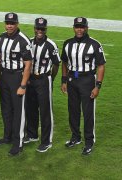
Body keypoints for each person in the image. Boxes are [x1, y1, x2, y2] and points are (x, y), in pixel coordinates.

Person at [61, 17, 106, 155]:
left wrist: (97, 85)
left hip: (87, 80)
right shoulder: (68, 43)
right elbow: (64, 62)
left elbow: (101, 65)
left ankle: (89, 141)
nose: (79, 29)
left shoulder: (94, 44)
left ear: (86, 28)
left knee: (87, 113)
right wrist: (64, 81)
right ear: (73, 28)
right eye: (77, 26)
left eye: (82, 26)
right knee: (73, 110)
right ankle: (75, 137)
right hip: (72, 79)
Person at [0, 13, 32, 156]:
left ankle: (19, 142)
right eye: (7, 23)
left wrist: (23, 85)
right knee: (6, 109)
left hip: (17, 77)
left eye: (12, 23)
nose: (9, 25)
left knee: (19, 111)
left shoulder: (23, 40)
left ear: (17, 24)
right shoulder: (1, 38)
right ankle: (7, 136)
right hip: (5, 76)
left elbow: (28, 64)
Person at [24, 17, 61, 152]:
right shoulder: (29, 42)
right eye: (38, 28)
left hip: (44, 79)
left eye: (42, 29)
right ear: (34, 29)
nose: (40, 31)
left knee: (45, 111)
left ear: (46, 29)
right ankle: (32, 135)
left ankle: (46, 141)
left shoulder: (51, 44)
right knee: (30, 108)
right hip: (30, 79)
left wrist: (50, 77)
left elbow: (56, 63)